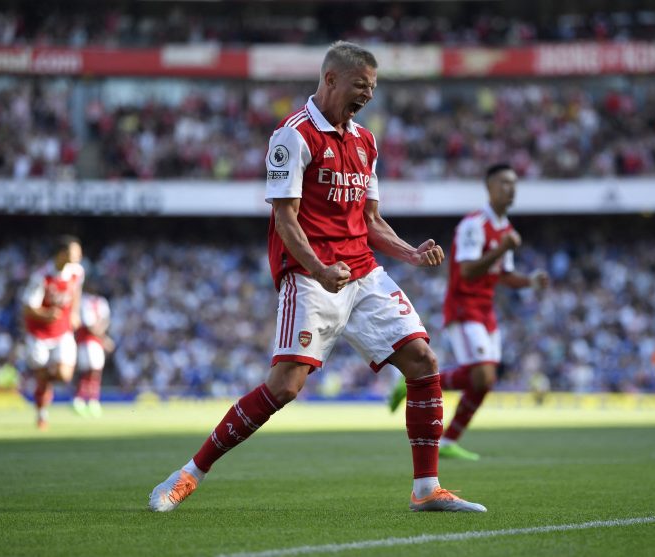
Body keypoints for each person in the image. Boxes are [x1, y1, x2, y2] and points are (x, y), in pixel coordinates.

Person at [149, 41, 486, 513]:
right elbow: (285, 219)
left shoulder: (365, 141)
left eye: (372, 88)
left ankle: (426, 488)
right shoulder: (293, 136)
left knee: (423, 362)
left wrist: (410, 252)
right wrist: (319, 269)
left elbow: (370, 220)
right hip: (310, 276)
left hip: (362, 273)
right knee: (285, 386)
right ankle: (187, 475)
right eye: (360, 86)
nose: (367, 96)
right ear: (330, 80)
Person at [389, 164, 548, 460]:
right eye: (503, 183)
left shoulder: (506, 231)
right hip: (464, 305)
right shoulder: (473, 226)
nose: (510, 188)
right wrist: (501, 249)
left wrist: (530, 281)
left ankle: (449, 441)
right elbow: (468, 271)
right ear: (489, 188)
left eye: (514, 183)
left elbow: (504, 274)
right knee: (482, 375)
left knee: (485, 381)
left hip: (486, 309)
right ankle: (412, 381)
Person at [21, 235, 84, 430]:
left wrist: (74, 313)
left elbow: (76, 293)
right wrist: (46, 314)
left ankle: (42, 381)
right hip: (39, 333)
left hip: (62, 331)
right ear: (62, 254)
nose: (79, 255)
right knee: (42, 376)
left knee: (64, 375)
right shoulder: (42, 276)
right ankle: (41, 413)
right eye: (76, 252)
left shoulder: (77, 272)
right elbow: (28, 307)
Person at [73, 290, 114, 417]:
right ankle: (82, 399)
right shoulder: (84, 302)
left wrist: (102, 336)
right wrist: (105, 339)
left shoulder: (101, 302)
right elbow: (90, 326)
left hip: (95, 342)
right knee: (89, 371)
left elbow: (105, 321)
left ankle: (90, 400)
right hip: (87, 342)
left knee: (95, 372)